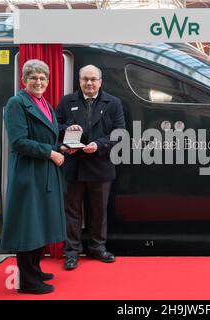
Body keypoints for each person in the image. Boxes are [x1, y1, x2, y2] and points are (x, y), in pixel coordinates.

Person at [0, 59, 68, 294]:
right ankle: (27, 281)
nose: (38, 81)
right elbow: (18, 142)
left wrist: (61, 147)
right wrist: (50, 153)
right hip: (29, 175)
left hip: (44, 173)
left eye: (42, 78)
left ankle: (35, 270)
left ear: (48, 82)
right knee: (28, 227)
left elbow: (47, 138)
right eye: (33, 77)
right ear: (24, 80)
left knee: (39, 224)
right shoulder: (17, 103)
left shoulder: (45, 104)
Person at [56, 64, 125, 270]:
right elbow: (54, 126)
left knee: (98, 212)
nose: (89, 83)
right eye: (85, 79)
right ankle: (72, 253)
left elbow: (119, 132)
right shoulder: (66, 101)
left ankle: (97, 248)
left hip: (100, 165)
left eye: (93, 79)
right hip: (73, 166)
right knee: (72, 212)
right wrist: (67, 129)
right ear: (79, 81)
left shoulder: (113, 103)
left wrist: (99, 145)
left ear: (100, 81)